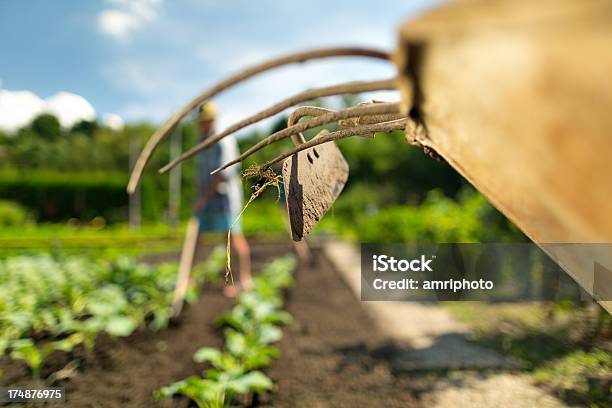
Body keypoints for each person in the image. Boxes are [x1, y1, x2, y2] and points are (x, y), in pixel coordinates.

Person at [193, 101, 252, 297]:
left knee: (233, 239)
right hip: (207, 198)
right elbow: (201, 174)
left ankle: (243, 280)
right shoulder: (202, 143)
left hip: (225, 199)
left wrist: (203, 198)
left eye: (207, 120)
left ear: (214, 120)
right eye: (201, 121)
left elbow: (221, 175)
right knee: (198, 236)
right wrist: (199, 195)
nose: (204, 124)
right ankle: (190, 277)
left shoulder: (222, 141)